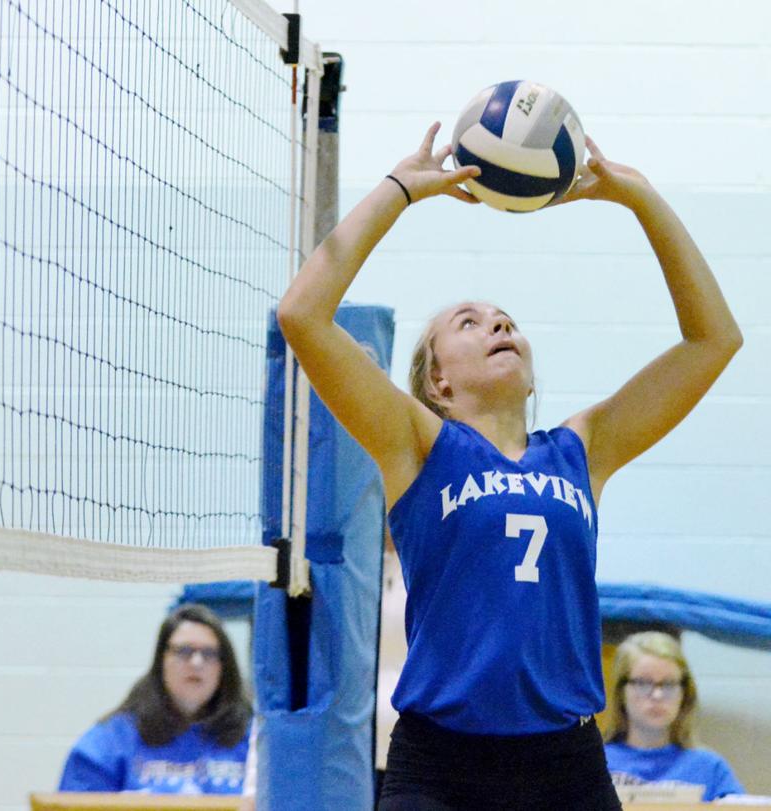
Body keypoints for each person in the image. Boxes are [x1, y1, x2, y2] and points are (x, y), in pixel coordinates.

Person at [276, 122, 742, 810]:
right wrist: (400, 190)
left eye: (506, 319)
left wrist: (641, 198)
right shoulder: (417, 443)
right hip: (442, 766)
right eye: (470, 321)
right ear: (437, 381)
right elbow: (302, 314)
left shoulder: (584, 447)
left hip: (565, 764)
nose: (499, 325)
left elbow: (714, 340)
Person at [58, 604, 253, 795]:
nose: (197, 662)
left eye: (209, 654)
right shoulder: (111, 740)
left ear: (224, 667)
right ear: (162, 660)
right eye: (184, 651)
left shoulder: (254, 739)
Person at [604, 631, 744, 801]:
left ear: (685, 693)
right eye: (643, 683)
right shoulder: (594, 764)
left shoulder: (709, 768)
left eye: (668, 684)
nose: (657, 695)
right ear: (621, 691)